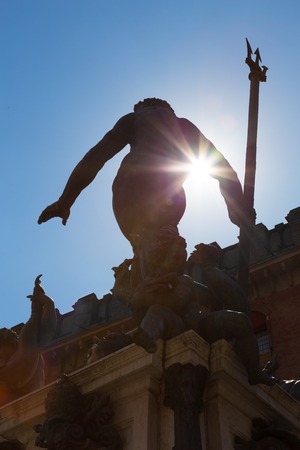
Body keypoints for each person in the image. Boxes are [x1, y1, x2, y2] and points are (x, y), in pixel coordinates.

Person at [38, 98, 244, 278]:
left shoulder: (134, 118)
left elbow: (95, 157)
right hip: (171, 192)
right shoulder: (183, 125)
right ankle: (167, 295)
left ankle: (153, 294)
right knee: (166, 245)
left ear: (142, 107)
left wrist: (65, 201)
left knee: (145, 249)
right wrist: (237, 207)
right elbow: (222, 168)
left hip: (133, 186)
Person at [0, 275, 57, 405]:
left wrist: (41, 303)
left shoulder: (24, 353)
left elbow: (35, 322)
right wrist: (43, 302)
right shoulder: (31, 352)